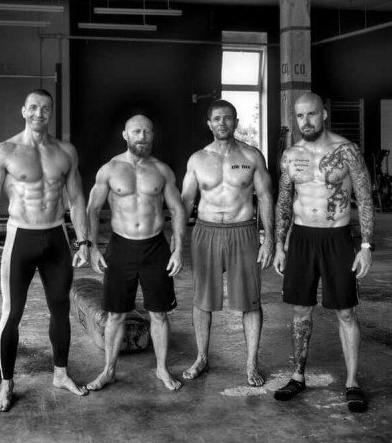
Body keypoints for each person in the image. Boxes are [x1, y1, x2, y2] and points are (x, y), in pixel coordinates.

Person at [0, 89, 91, 412]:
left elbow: (76, 199)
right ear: (23, 111)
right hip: (20, 238)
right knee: (11, 313)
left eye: (46, 108)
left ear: (51, 112)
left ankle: (61, 374)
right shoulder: (5, 152)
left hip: (56, 237)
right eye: (34, 108)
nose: (40, 113)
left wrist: (83, 241)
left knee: (60, 309)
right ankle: (6, 385)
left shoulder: (65, 152)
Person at [272, 92, 374, 412]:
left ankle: (352, 382)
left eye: (312, 114)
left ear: (324, 114)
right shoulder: (291, 156)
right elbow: (284, 201)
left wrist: (366, 246)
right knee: (300, 311)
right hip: (301, 238)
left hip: (337, 238)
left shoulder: (346, 150)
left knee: (346, 312)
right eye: (300, 116)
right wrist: (279, 244)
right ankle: (297, 375)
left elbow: (365, 197)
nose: (306, 121)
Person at [84, 115, 187, 392]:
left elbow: (177, 209)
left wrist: (178, 248)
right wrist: (92, 247)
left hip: (156, 248)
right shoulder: (110, 169)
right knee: (115, 315)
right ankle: (108, 371)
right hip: (121, 247)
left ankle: (162, 369)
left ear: (153, 135)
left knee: (160, 314)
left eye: (147, 132)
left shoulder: (162, 170)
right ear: (125, 134)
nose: (142, 136)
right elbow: (92, 209)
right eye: (136, 131)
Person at [180, 100, 274, 386]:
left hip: (243, 232)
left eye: (228, 118)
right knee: (202, 300)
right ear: (209, 124)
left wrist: (269, 239)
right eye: (217, 118)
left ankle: (251, 363)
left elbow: (265, 198)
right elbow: (186, 201)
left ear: (236, 122)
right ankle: (201, 357)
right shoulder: (197, 159)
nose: (222, 122)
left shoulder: (252, 156)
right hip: (206, 232)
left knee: (251, 301)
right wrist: (176, 241)